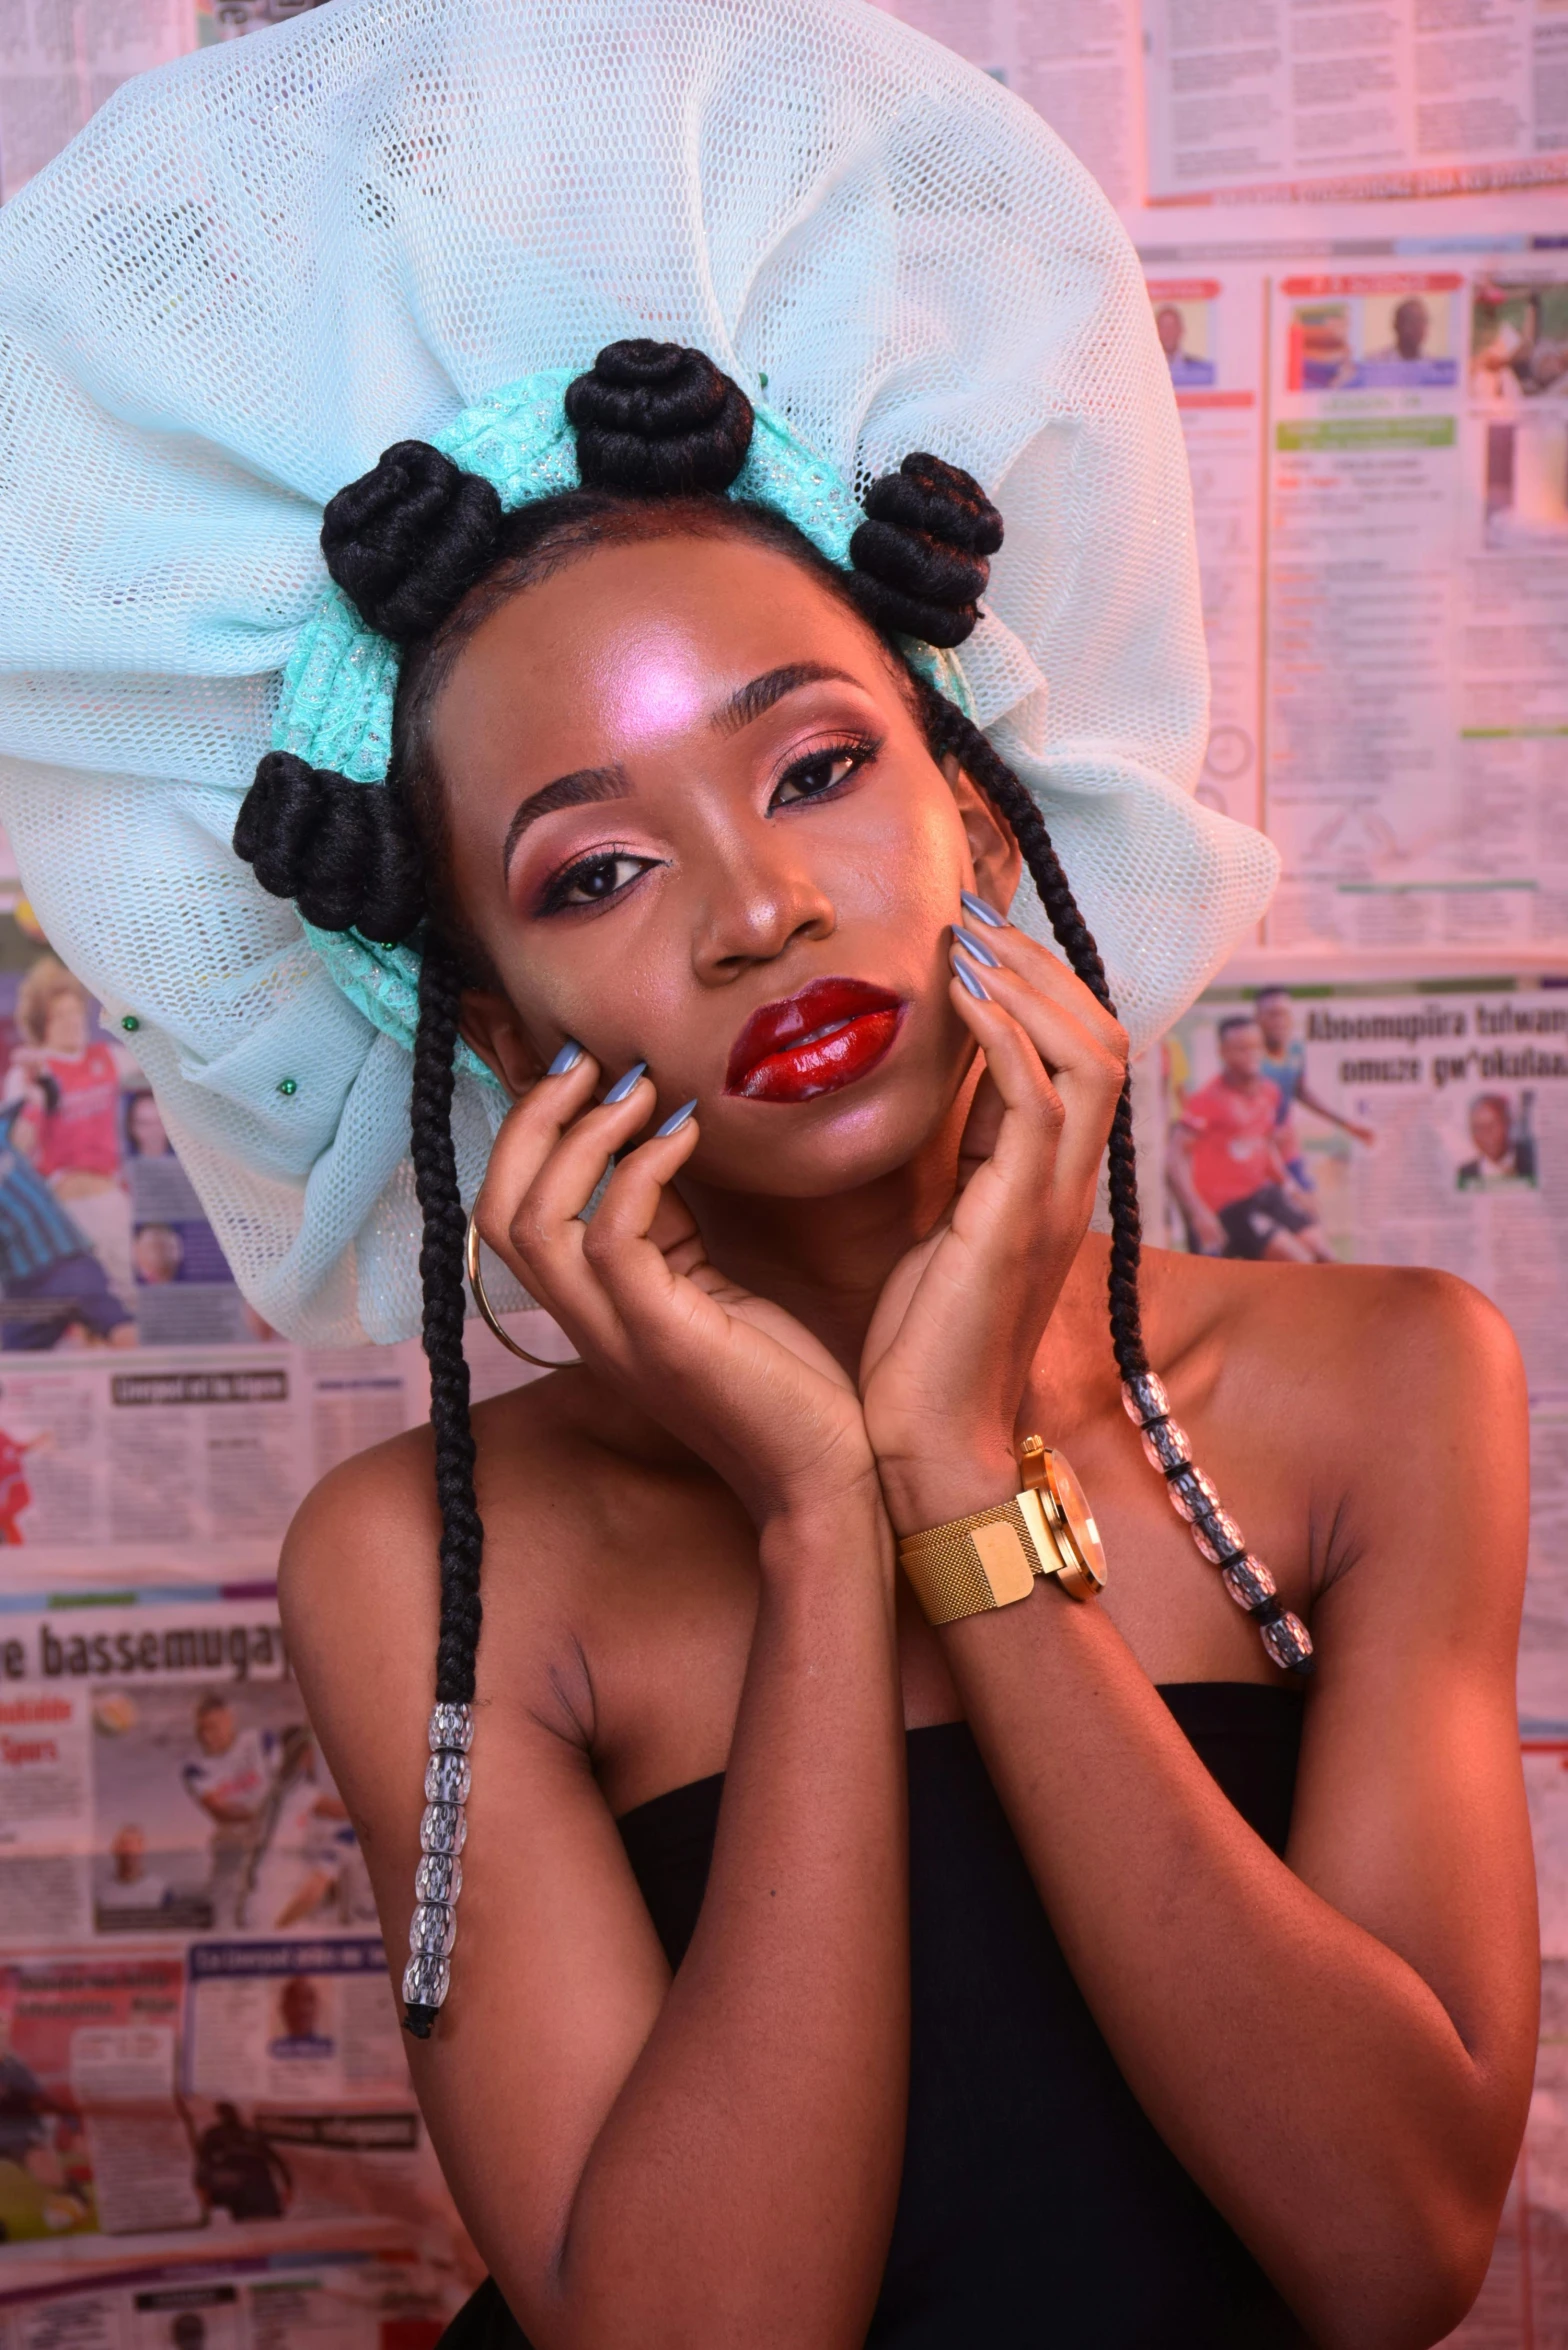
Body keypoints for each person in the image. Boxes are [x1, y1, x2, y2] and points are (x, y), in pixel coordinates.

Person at [0, 6, 1536, 2346]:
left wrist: (960, 1481)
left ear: (983, 795)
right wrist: (830, 1520)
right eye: (595, 870)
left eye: (816, 768)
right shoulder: (425, 1559)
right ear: (480, 1012)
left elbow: (1394, 2249)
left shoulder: (1388, 1389)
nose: (753, 908)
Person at [5, 956, 136, 1302]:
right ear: (41, 1022)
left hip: (110, 1199)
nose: (72, 1021)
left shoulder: (108, 1058)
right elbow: (15, 1149)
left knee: (125, 1298)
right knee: (77, 1306)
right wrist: (36, 1098)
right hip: (62, 1211)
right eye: (60, 1015)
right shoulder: (27, 1071)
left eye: (75, 1011)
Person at [1167, 1015, 1335, 1263]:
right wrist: (1199, 1213)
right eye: (1241, 1048)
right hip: (1229, 1208)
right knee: (1299, 1262)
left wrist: (1291, 1187)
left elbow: (1264, 1146)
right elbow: (1175, 1158)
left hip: (1263, 1193)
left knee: (1324, 1255)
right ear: (1222, 1052)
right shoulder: (1207, 1100)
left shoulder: (1270, 1092)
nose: (1251, 1054)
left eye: (1256, 1046)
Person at [0, 1098, 134, 1349]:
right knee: (12, 1370)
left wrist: (40, 1082)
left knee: (121, 1330)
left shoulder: (3, 1128)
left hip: (68, 1263)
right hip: (30, 1286)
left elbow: (35, 1097)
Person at [1254, 985, 1374, 1194]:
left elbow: (1300, 1092)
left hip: (1284, 1146)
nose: (1279, 1021)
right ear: (1258, 1018)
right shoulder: (1250, 1058)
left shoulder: (1295, 1050)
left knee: (1307, 1202)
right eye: (1272, 1015)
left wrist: (1347, 1125)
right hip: (1257, 1149)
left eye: (1284, 1014)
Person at [179, 1695, 281, 1932]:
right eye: (201, 1729)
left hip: (272, 1833)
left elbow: (285, 1785)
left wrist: (272, 1819)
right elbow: (219, 1812)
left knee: (264, 1906)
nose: (206, 1736)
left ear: (230, 1720)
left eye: (213, 1727)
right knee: (221, 1909)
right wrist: (257, 1817)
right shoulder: (194, 1767)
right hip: (232, 1836)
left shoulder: (262, 1740)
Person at [192, 2102, 292, 2223]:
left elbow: (204, 2161)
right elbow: (277, 2160)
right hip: (257, 2186)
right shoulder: (250, 2134)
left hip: (245, 2186)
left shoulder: (215, 2133)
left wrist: (200, 2185)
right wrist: (288, 2185)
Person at [1457, 1092, 1537, 1190]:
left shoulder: (1533, 1163)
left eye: (1493, 1124)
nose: (1486, 1134)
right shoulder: (1465, 1174)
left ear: (1508, 1123)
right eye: (1478, 1128)